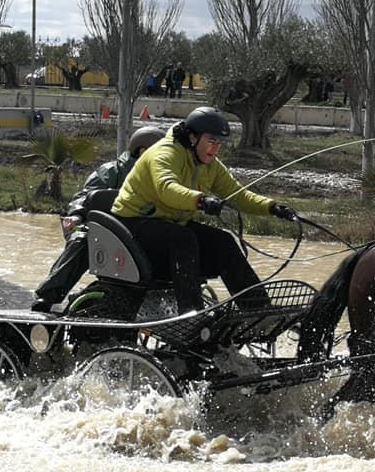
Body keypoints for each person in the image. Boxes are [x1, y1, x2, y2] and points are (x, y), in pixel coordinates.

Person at [111, 106, 297, 315]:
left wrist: (273, 208)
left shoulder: (209, 164)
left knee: (223, 241)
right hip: (132, 225)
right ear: (192, 137)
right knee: (183, 238)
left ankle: (257, 310)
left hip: (170, 225)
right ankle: (191, 314)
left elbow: (238, 194)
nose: (215, 149)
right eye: (210, 141)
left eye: (219, 144)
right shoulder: (165, 153)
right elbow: (166, 188)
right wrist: (201, 200)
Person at [31, 126, 168, 312]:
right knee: (82, 240)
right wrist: (77, 214)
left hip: (141, 237)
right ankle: (47, 296)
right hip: (106, 235)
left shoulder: (163, 177)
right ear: (143, 151)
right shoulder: (112, 171)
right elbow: (85, 197)